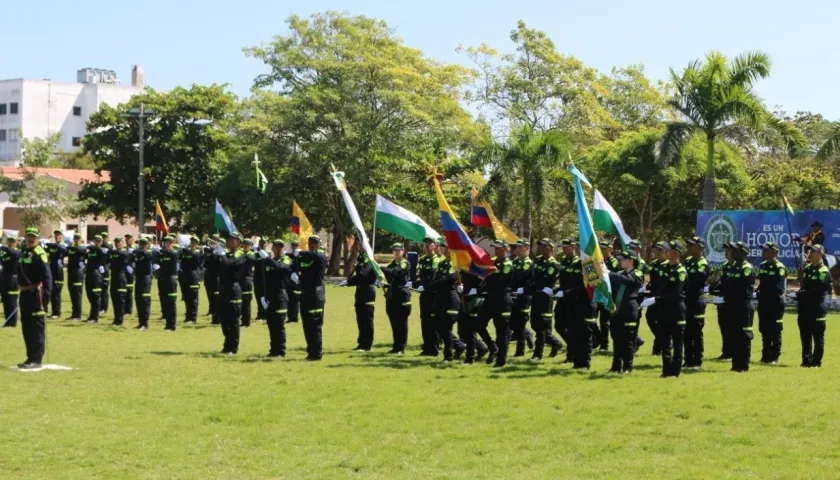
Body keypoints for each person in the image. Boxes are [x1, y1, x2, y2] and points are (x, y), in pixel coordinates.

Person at [16, 228, 51, 369]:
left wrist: (46, 299)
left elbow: (47, 277)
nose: (30, 239)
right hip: (25, 293)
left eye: (33, 237)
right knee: (27, 326)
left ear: (38, 239)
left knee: (36, 327)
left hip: (37, 295)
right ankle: (30, 357)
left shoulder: (39, 254)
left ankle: (36, 359)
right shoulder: (24, 252)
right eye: (28, 236)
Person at [524, 238, 563, 362]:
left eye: (545, 246)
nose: (541, 248)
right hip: (536, 296)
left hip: (545, 298)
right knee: (535, 323)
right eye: (540, 246)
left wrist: (535, 281)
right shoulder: (538, 260)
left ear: (551, 248)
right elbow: (533, 276)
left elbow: (545, 279)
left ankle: (537, 355)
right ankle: (555, 342)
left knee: (541, 326)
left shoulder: (554, 264)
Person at [427, 240, 465, 363]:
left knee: (446, 327)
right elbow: (436, 278)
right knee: (437, 325)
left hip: (450, 299)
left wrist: (431, 285)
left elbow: (447, 279)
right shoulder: (442, 263)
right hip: (440, 299)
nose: (444, 250)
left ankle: (448, 356)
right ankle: (459, 345)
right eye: (443, 248)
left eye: (447, 248)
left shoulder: (455, 265)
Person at [477, 239, 514, 367]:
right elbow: (486, 278)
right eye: (495, 248)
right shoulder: (492, 262)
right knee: (479, 324)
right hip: (490, 299)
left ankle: (500, 360)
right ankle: (493, 347)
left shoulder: (507, 264)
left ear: (505, 249)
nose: (496, 250)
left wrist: (489, 276)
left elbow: (500, 280)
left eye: (499, 248)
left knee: (502, 331)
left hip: (502, 299)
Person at [607, 250, 645, 374]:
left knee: (627, 339)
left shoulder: (638, 273)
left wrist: (610, 274)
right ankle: (616, 366)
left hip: (629, 309)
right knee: (616, 338)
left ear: (631, 261)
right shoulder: (618, 274)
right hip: (616, 309)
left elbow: (628, 280)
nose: (620, 261)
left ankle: (627, 367)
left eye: (623, 259)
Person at [796, 244, 832, 368]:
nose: (811, 253)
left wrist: (803, 293)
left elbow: (818, 291)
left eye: (814, 251)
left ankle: (816, 362)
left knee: (817, 336)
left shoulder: (824, 271)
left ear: (821, 254)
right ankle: (806, 360)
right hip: (805, 307)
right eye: (810, 250)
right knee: (805, 334)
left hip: (817, 308)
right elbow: (804, 286)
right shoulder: (807, 268)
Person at [655, 240, 687, 378]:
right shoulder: (664, 267)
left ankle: (675, 370)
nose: (666, 251)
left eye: (669, 249)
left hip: (676, 309)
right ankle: (666, 369)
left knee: (678, 341)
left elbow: (675, 293)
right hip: (664, 309)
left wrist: (656, 299)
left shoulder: (680, 271)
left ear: (676, 253)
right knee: (664, 340)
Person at [258, 239, 294, 357]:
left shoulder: (286, 260)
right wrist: (263, 296)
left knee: (279, 325)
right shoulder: (269, 261)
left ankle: (281, 350)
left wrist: (267, 259)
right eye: (276, 247)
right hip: (270, 295)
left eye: (280, 247)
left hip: (281, 295)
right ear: (272, 248)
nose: (278, 249)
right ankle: (273, 350)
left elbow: (281, 267)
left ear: (283, 248)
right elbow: (264, 279)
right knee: (271, 323)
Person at [724, 241, 756, 372]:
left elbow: (740, 287)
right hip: (732, 305)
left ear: (742, 252)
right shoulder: (733, 267)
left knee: (744, 336)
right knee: (734, 334)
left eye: (735, 250)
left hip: (743, 306)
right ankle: (735, 364)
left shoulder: (746, 268)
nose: (732, 252)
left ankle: (743, 365)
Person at [214, 233, 247, 354]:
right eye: (228, 239)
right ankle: (227, 345)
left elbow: (229, 264)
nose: (228, 240)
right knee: (224, 320)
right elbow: (215, 268)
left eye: (232, 239)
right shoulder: (226, 254)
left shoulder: (240, 254)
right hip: (223, 289)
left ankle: (233, 348)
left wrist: (222, 254)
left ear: (238, 242)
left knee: (233, 321)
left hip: (234, 289)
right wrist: (214, 255)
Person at [296, 235, 327, 360]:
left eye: (314, 243)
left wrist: (302, 253)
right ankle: (310, 351)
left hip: (316, 293)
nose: (312, 245)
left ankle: (317, 353)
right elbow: (298, 264)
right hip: (305, 293)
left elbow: (315, 256)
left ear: (319, 244)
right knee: (307, 324)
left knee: (315, 324)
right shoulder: (306, 256)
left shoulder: (320, 255)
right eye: (310, 243)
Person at [342, 250, 378, 352]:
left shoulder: (369, 257)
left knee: (367, 318)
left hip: (368, 290)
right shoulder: (361, 257)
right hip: (360, 290)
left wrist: (349, 281)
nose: (359, 245)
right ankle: (361, 342)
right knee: (360, 318)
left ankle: (367, 344)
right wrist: (349, 282)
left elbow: (363, 274)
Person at [412, 236, 442, 356]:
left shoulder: (436, 260)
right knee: (424, 320)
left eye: (430, 243)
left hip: (433, 294)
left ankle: (434, 347)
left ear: (435, 246)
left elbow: (431, 277)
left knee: (432, 321)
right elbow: (421, 275)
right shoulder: (423, 259)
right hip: (424, 293)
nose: (427, 246)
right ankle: (427, 347)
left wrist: (422, 283)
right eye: (425, 244)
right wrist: (415, 283)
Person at [757, 242, 786, 364]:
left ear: (774, 252)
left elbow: (777, 286)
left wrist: (765, 287)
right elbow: (762, 283)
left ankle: (775, 356)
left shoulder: (779, 267)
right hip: (763, 301)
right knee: (764, 329)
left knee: (775, 330)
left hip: (775, 302)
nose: (763, 252)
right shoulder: (762, 265)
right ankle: (765, 355)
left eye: (765, 250)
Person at [683, 236, 709, 369]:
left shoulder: (702, 264)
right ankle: (688, 359)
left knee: (696, 330)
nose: (689, 248)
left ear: (699, 247)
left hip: (697, 300)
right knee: (686, 330)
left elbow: (695, 282)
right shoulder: (687, 261)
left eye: (692, 245)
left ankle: (697, 360)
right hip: (686, 299)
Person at [382, 243, 411, 355]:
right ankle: (396, 346)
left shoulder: (404, 262)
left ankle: (401, 347)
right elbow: (387, 276)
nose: (396, 252)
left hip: (402, 295)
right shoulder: (392, 263)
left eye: (398, 250)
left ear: (403, 251)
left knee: (401, 323)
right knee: (394, 321)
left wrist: (381, 267)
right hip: (392, 295)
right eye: (394, 250)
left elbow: (395, 272)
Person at [510, 238, 535, 357]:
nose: (518, 249)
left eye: (521, 247)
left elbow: (530, 280)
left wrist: (524, 289)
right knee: (512, 323)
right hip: (513, 296)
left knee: (520, 323)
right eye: (517, 247)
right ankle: (528, 334)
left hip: (524, 297)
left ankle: (520, 351)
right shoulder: (514, 262)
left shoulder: (530, 264)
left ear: (527, 248)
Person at [555, 239, 579, 362]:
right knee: (559, 326)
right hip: (562, 298)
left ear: (573, 247)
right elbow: (563, 280)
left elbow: (579, 284)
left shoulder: (579, 262)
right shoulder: (564, 261)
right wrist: (556, 291)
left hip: (573, 299)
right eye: (562, 247)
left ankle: (572, 355)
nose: (564, 249)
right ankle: (573, 347)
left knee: (572, 327)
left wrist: (565, 292)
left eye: (566, 247)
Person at [712, 243, 735, 360]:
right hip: (722, 301)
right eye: (726, 250)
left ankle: (733, 352)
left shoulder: (739, 267)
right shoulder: (725, 266)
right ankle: (726, 351)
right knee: (723, 326)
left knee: (732, 328)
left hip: (732, 303)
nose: (727, 252)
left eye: (729, 250)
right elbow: (722, 283)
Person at [598, 240, 620, 352]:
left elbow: (617, 277)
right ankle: (601, 343)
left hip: (610, 294)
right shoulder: (598, 260)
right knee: (601, 320)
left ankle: (604, 345)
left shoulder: (614, 262)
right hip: (600, 293)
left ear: (610, 250)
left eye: (604, 249)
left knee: (608, 321)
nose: (601, 251)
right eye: (600, 249)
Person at [154, 235, 179, 331]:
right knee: (165, 302)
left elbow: (170, 253)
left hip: (171, 279)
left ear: (173, 243)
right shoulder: (163, 254)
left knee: (171, 303)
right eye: (166, 242)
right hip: (163, 279)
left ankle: (172, 325)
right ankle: (167, 324)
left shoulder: (174, 252)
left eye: (169, 242)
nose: (167, 244)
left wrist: (160, 250)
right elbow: (156, 260)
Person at [178, 236, 203, 324]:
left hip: (194, 277)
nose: (192, 243)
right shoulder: (186, 251)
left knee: (193, 299)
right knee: (187, 298)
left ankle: (193, 318)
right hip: (185, 276)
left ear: (197, 243)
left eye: (194, 242)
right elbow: (179, 256)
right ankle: (188, 316)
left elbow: (195, 255)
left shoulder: (198, 251)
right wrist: (180, 249)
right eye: (191, 241)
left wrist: (185, 250)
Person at [84, 235, 108, 323]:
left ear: (101, 242)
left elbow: (103, 257)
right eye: (96, 241)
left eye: (99, 241)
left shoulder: (101, 250)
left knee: (95, 296)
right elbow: (85, 256)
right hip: (89, 273)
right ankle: (91, 316)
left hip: (96, 274)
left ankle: (95, 317)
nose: (97, 242)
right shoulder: (90, 250)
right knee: (89, 294)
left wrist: (92, 247)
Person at [107, 237, 130, 326]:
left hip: (121, 277)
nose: (117, 244)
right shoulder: (113, 253)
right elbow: (107, 259)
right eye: (116, 242)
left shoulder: (124, 252)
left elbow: (125, 255)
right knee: (114, 298)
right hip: (114, 277)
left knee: (120, 299)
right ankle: (116, 318)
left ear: (122, 243)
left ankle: (120, 320)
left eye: (119, 242)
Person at [0, 234, 21, 328]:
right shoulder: (5, 253)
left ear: (16, 242)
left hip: (13, 279)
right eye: (9, 241)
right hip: (4, 277)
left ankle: (13, 322)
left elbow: (15, 254)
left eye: (12, 241)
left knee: (12, 300)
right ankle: (7, 320)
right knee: (5, 300)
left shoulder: (17, 252)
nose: (10, 243)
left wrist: (4, 248)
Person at [133, 237, 153, 330]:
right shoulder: (138, 253)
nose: (141, 245)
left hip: (146, 278)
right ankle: (141, 322)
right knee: (138, 299)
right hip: (139, 278)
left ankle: (145, 323)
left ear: (147, 245)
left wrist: (138, 251)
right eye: (140, 244)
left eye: (144, 244)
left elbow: (147, 255)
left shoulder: (148, 252)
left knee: (144, 300)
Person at [46, 230, 67, 319]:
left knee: (57, 293)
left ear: (62, 236)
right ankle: (53, 311)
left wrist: (53, 245)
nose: (56, 236)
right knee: (51, 292)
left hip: (59, 272)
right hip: (51, 271)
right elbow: (46, 252)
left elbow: (64, 250)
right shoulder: (52, 246)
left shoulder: (64, 245)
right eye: (55, 235)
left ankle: (57, 313)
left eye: (58, 235)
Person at [67, 233, 86, 320]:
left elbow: (81, 250)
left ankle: (77, 315)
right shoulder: (71, 248)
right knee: (72, 294)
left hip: (78, 274)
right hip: (71, 273)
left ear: (80, 239)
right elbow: (65, 252)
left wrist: (70, 247)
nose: (76, 240)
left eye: (78, 238)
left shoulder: (82, 248)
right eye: (75, 238)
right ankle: (74, 314)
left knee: (77, 295)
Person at [203, 235, 220, 322]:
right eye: (212, 239)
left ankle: (216, 313)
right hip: (208, 275)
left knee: (215, 296)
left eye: (215, 239)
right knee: (209, 294)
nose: (213, 240)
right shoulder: (208, 250)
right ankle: (211, 310)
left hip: (216, 276)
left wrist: (215, 249)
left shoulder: (218, 250)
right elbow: (205, 261)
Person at [240, 239, 257, 327]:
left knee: (246, 302)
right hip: (240, 279)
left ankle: (246, 322)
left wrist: (242, 253)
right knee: (240, 302)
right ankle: (242, 319)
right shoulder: (241, 253)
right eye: (244, 244)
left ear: (250, 246)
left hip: (247, 279)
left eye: (247, 244)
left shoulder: (251, 254)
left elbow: (252, 259)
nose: (245, 246)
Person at [286, 239, 302, 324]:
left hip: (296, 280)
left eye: (295, 245)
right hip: (289, 279)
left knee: (295, 299)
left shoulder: (300, 256)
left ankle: (294, 317)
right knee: (289, 298)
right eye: (293, 245)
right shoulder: (288, 255)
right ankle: (289, 317)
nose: (294, 247)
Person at [254, 238, 268, 321]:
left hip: (265, 279)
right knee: (258, 296)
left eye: (264, 243)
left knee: (264, 297)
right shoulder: (256, 254)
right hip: (257, 278)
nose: (263, 245)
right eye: (261, 243)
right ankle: (259, 314)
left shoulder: (267, 254)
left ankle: (265, 314)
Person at [99, 232, 113, 314]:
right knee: (99, 289)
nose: (103, 239)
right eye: (102, 237)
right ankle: (100, 306)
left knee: (104, 289)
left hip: (105, 269)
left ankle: (104, 307)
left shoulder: (109, 246)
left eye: (105, 237)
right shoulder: (100, 246)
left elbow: (110, 259)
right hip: (99, 269)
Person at [123, 234, 136, 316]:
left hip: (131, 272)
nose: (128, 240)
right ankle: (124, 309)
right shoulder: (124, 249)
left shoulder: (135, 249)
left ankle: (128, 310)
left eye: (129, 238)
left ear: (132, 239)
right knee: (124, 291)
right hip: (124, 272)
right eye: (126, 239)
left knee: (129, 291)